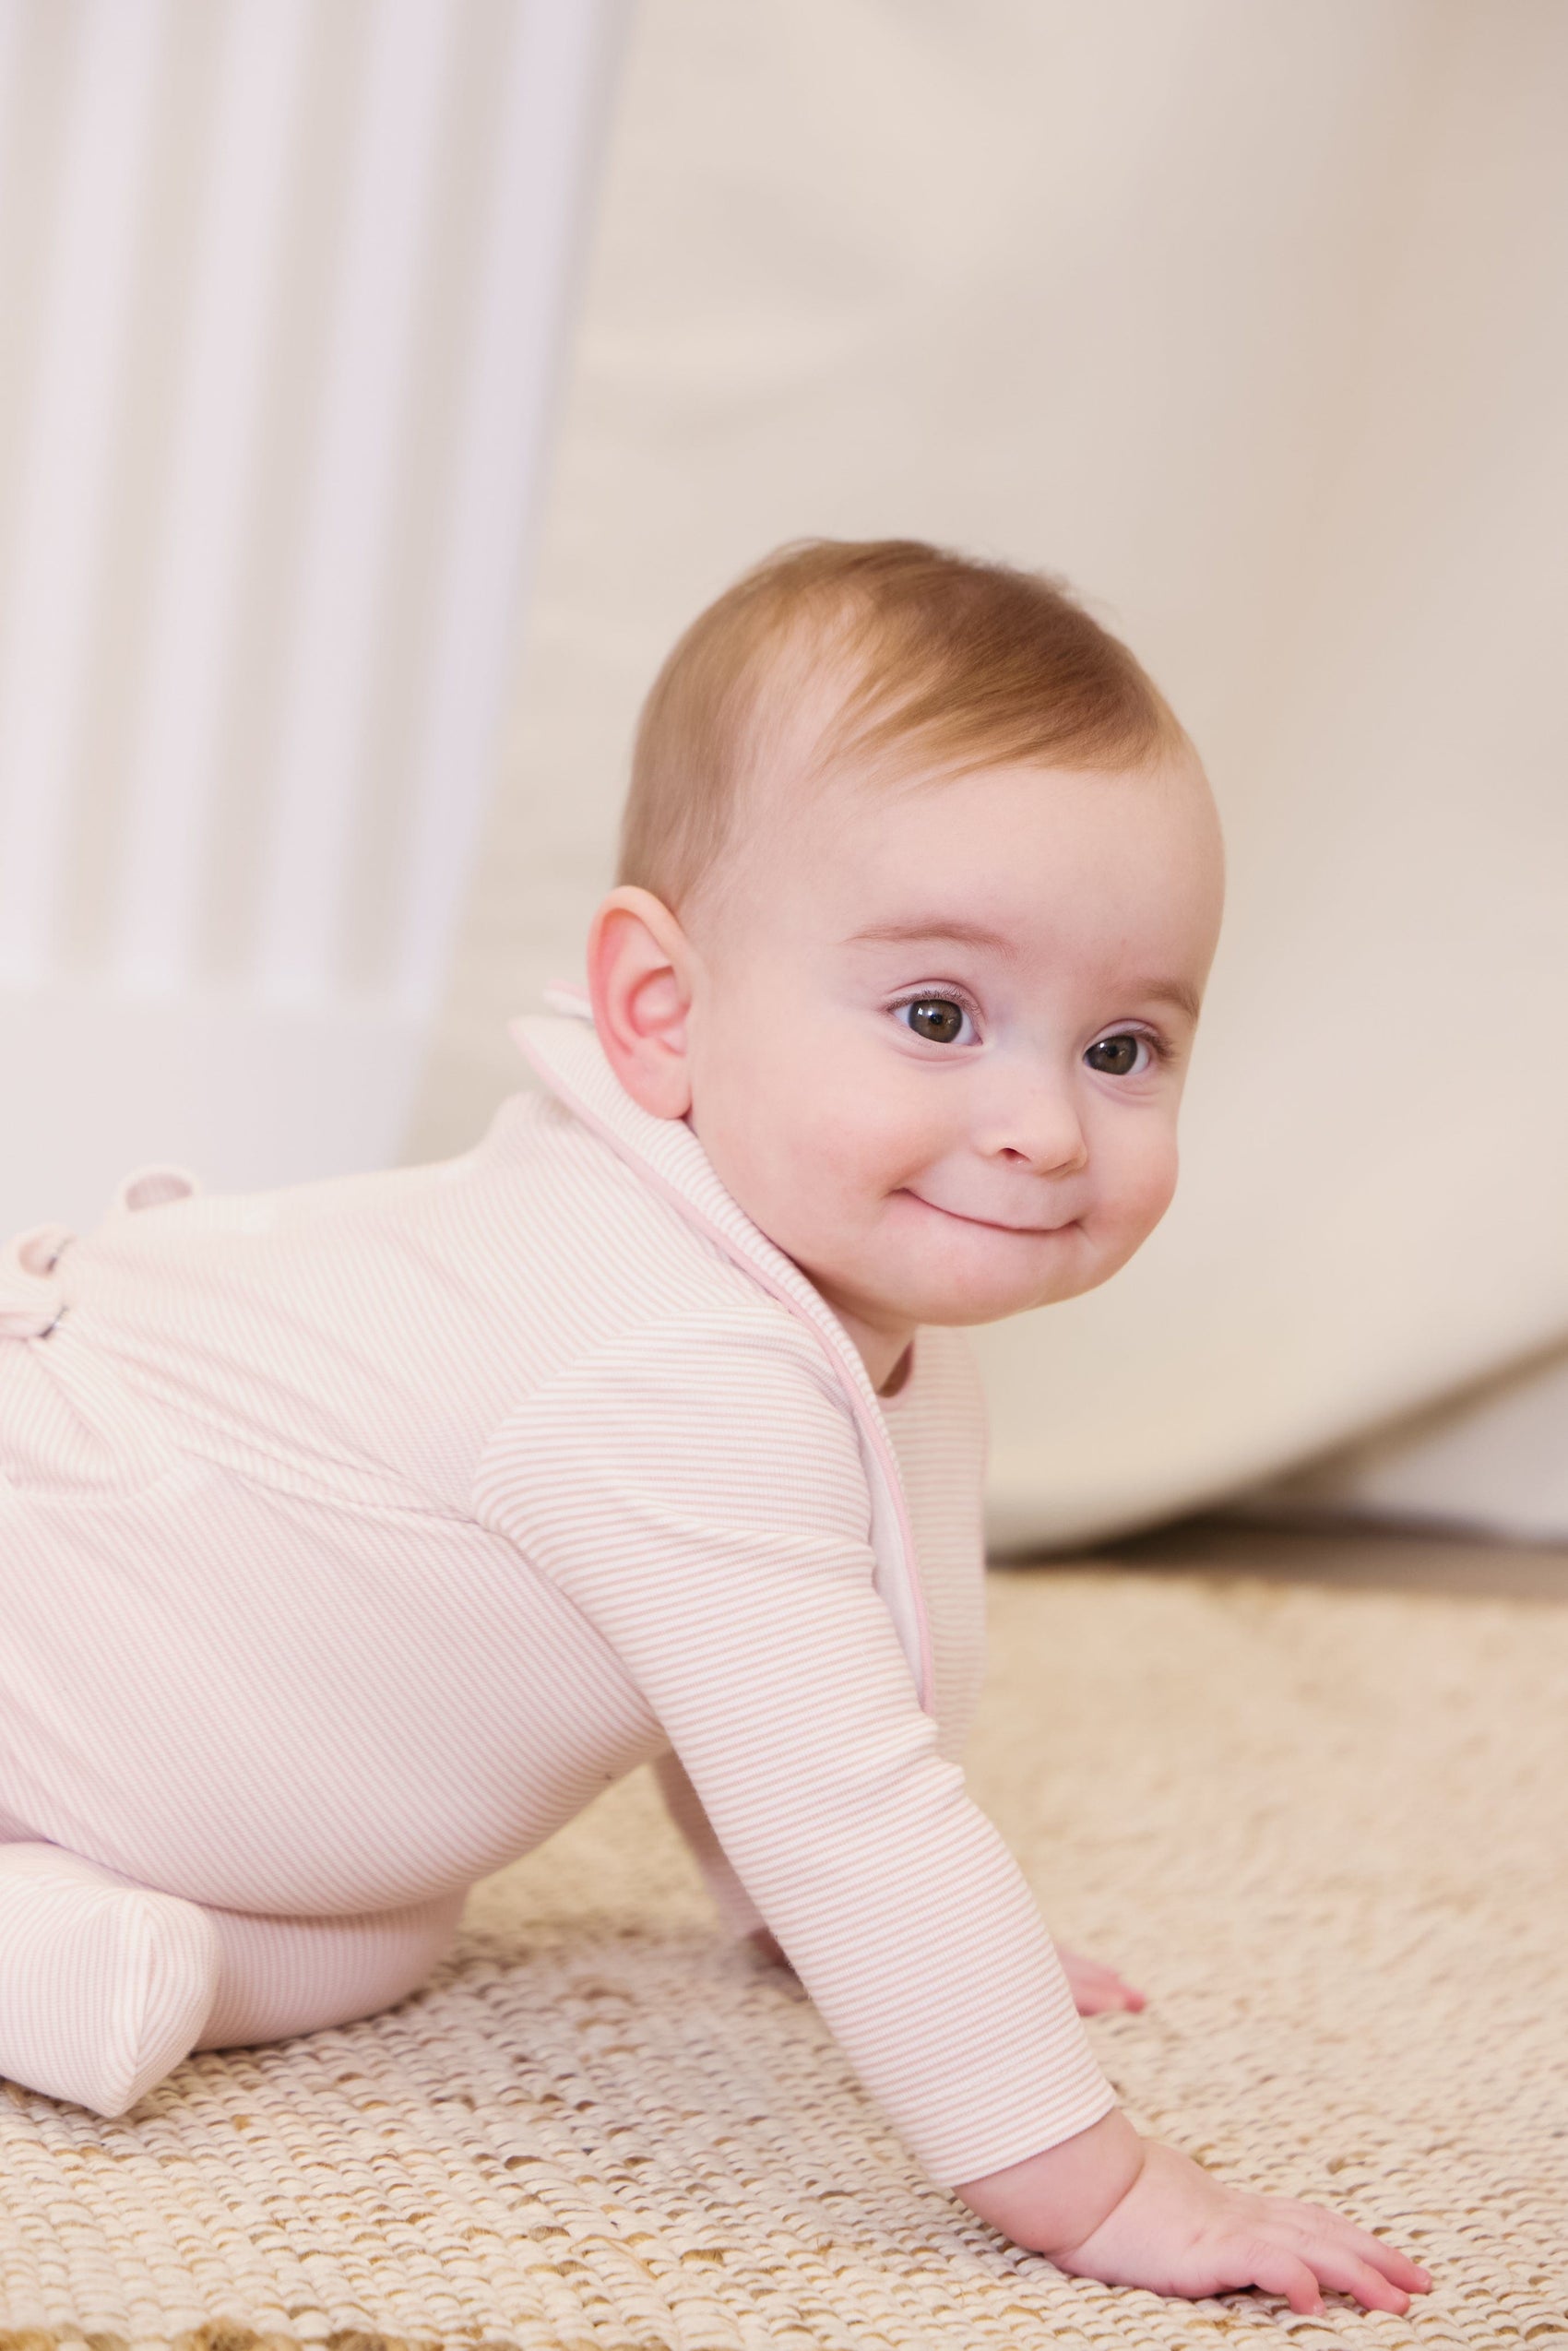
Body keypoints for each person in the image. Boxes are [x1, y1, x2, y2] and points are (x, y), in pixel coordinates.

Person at [0, 540, 1428, 2317]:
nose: (1048, 1126)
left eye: (1122, 1048)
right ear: (663, 1013)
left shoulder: (837, 1299)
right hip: (44, 1558)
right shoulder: (669, 1358)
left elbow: (796, 1687)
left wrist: (821, 1928)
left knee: (372, 1933)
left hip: (153, 1729)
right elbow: (847, 1803)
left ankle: (49, 1920)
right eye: (937, 1015)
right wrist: (1104, 2182)